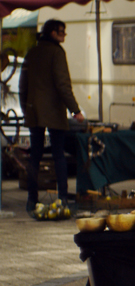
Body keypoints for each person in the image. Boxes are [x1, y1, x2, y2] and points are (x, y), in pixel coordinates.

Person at [18, 19, 84, 212]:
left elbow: (23, 85)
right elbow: (63, 85)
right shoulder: (57, 53)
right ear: (53, 33)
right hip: (53, 111)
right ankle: (62, 198)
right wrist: (75, 110)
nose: (64, 35)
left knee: (35, 156)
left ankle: (32, 199)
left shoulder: (32, 52)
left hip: (34, 111)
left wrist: (26, 108)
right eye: (62, 31)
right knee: (58, 155)